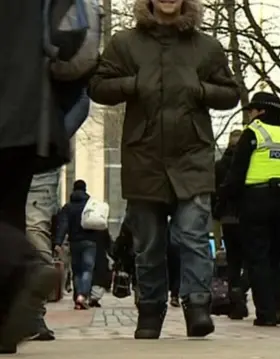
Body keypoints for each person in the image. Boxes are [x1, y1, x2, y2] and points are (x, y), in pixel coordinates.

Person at [88, 0, 240, 339]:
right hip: (144, 156)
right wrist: (132, 84)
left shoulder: (206, 46)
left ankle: (198, 305)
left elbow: (232, 93)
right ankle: (151, 310)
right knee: (149, 242)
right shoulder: (125, 43)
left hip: (193, 155)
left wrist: (200, 90)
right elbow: (97, 86)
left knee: (195, 236)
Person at [0, 1, 91, 353]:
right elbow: (72, 35)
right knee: (8, 211)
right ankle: (5, 320)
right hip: (29, 110)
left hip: (17, 104)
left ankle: (21, 264)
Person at [218, 92, 280, 326]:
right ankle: (276, 310)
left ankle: (265, 313)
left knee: (257, 259)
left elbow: (236, 175)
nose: (249, 114)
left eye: (251, 110)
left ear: (261, 111)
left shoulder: (253, 133)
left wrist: (224, 201)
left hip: (256, 202)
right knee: (276, 259)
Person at [26, 90, 91, 341]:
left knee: (33, 229)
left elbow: (81, 98)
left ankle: (31, 313)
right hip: (31, 148)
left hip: (37, 152)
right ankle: (29, 313)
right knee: (34, 229)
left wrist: (56, 138)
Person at [213, 129, 249, 319]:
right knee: (251, 260)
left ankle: (234, 301)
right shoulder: (248, 163)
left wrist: (216, 214)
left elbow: (214, 193)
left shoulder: (219, 166)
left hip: (227, 219)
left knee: (233, 261)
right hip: (246, 217)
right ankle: (240, 290)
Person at [55, 180, 103, 310]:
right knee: (87, 269)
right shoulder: (90, 205)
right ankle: (82, 296)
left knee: (77, 271)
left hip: (74, 242)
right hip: (90, 242)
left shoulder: (68, 207)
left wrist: (58, 242)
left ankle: (78, 298)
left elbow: (63, 225)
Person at [90, 231, 114, 308]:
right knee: (100, 275)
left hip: (91, 251)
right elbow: (108, 243)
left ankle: (87, 296)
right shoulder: (102, 228)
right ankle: (95, 297)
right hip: (101, 254)